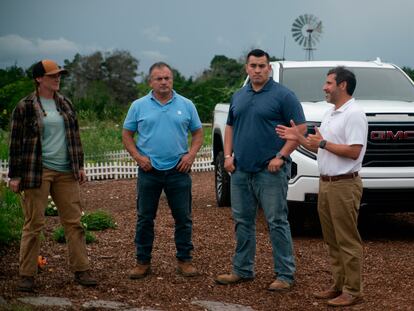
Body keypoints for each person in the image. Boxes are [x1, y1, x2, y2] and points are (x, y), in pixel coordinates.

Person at [215, 49, 307, 291]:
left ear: (269, 68)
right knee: (242, 221)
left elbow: (301, 130)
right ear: (247, 68)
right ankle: (242, 270)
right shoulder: (239, 96)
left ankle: (285, 275)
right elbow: (230, 127)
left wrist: (281, 156)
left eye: (262, 66)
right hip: (241, 170)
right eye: (253, 66)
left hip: (271, 170)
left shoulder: (284, 96)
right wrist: (227, 156)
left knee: (277, 221)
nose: (257, 70)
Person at [276, 66, 367, 307]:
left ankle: (353, 290)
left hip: (344, 184)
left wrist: (324, 142)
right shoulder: (332, 114)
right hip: (326, 184)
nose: (324, 87)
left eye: (328, 83)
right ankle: (339, 286)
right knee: (332, 239)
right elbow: (319, 146)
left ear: (342, 85)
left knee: (347, 239)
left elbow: (354, 151)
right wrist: (299, 139)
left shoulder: (354, 114)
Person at [8, 59, 97, 292]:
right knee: (34, 224)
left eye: (59, 75)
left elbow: (75, 137)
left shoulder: (65, 103)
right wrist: (15, 176)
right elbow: (15, 143)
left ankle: (81, 269)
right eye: (52, 75)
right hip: (38, 171)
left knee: (74, 222)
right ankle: (27, 274)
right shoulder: (25, 106)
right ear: (39, 79)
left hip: (66, 171)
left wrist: (79, 166)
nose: (57, 78)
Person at [122, 62, 203, 279]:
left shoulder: (186, 105)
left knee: (183, 218)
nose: (164, 82)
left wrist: (191, 155)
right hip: (149, 171)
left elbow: (198, 133)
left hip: (179, 169)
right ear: (151, 82)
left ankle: (185, 260)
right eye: (159, 78)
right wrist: (139, 157)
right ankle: (142, 262)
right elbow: (127, 135)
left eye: (167, 78)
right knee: (145, 218)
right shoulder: (138, 106)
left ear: (172, 80)